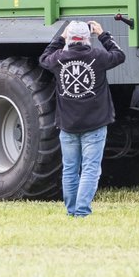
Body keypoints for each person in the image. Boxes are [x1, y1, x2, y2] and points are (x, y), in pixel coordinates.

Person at [39, 19, 126, 217]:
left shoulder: (58, 59)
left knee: (70, 170)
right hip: (95, 124)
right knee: (90, 169)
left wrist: (60, 38)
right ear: (88, 38)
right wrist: (103, 34)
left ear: (69, 38)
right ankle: (82, 211)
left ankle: (72, 211)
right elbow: (119, 55)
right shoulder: (97, 56)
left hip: (68, 126)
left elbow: (43, 58)